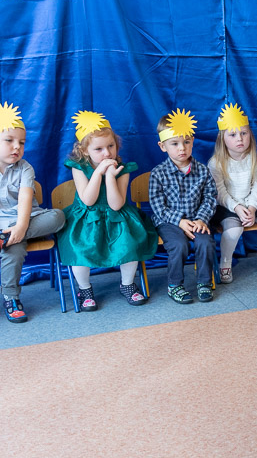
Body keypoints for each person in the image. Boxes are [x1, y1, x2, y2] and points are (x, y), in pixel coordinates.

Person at [58, 111, 157, 310]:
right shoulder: (78, 167)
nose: (107, 153)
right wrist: (98, 173)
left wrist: (110, 176)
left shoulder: (122, 168)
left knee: (129, 244)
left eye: (111, 146)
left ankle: (127, 284)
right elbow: (88, 200)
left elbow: (116, 204)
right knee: (79, 248)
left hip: (116, 216)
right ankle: (84, 289)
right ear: (85, 151)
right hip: (86, 217)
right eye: (99, 149)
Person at [0, 102, 65, 322]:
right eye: (9, 141)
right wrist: (14, 233)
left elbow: (26, 199)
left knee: (58, 216)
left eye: (21, 142)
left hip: (29, 220)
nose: (16, 147)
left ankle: (6, 238)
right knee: (14, 248)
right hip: (3, 226)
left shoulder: (25, 168)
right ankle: (11, 298)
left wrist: (20, 227)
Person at [208, 103, 257, 285]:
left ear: (250, 134)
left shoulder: (256, 160)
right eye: (233, 135)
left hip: (253, 203)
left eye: (244, 133)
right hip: (228, 205)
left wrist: (251, 208)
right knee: (234, 230)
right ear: (222, 139)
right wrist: (237, 207)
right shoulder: (216, 163)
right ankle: (225, 264)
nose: (239, 139)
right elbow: (220, 193)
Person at [148, 110, 218, 304]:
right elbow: (157, 206)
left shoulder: (202, 171)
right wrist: (179, 221)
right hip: (169, 222)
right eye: (175, 144)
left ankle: (204, 282)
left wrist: (201, 219)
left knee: (205, 242)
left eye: (186, 142)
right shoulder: (158, 174)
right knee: (179, 245)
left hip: (197, 219)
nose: (182, 148)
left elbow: (210, 197)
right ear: (163, 146)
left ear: (192, 141)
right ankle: (175, 285)